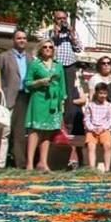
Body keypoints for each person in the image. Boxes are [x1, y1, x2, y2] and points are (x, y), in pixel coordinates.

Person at [23, 39, 66, 172]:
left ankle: (43, 162)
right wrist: (40, 82)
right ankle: (29, 163)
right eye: (45, 47)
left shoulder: (58, 65)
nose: (48, 49)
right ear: (40, 49)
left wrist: (62, 100)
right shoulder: (35, 64)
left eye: (51, 47)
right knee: (35, 130)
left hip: (53, 101)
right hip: (38, 99)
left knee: (48, 131)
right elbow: (27, 83)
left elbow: (62, 84)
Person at [48, 10, 83, 170]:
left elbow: (79, 48)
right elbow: (46, 48)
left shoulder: (71, 33)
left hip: (69, 66)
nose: (62, 21)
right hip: (55, 66)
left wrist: (71, 34)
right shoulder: (49, 32)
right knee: (55, 97)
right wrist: (55, 34)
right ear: (54, 20)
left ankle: (67, 129)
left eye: (64, 18)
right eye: (59, 19)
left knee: (68, 100)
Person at [0, 30, 32, 168]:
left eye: (24, 38)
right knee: (4, 131)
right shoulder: (4, 57)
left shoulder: (30, 58)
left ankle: (20, 163)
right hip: (8, 97)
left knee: (20, 132)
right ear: (13, 40)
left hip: (25, 96)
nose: (22, 40)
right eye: (19, 38)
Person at [83, 82, 111, 172]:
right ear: (96, 93)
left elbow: (110, 120)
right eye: (101, 93)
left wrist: (103, 128)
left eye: (104, 93)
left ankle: (107, 168)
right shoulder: (90, 105)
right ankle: (92, 168)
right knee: (91, 146)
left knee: (107, 145)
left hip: (104, 129)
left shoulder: (109, 106)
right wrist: (92, 128)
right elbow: (86, 119)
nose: (103, 95)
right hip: (92, 129)